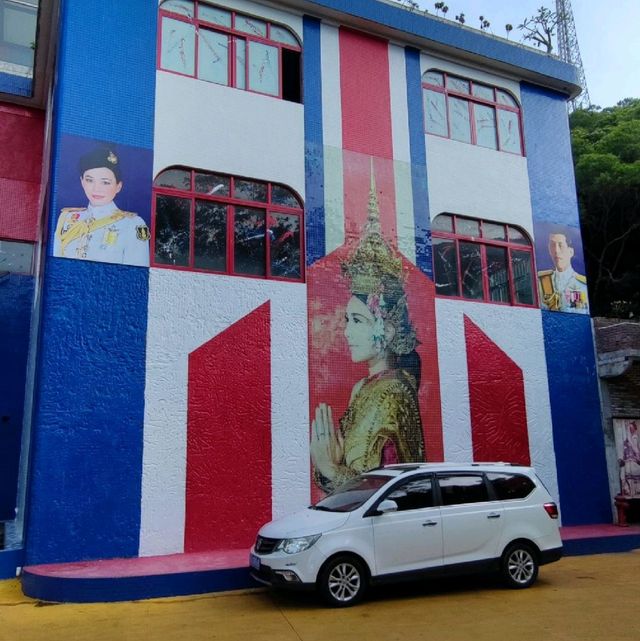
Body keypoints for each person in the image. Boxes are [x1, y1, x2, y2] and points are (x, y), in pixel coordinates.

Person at [310, 176, 425, 494]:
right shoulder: (366, 387)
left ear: (387, 328)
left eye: (358, 320)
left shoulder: (391, 393)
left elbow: (372, 492)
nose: (346, 331)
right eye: (348, 319)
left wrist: (328, 466)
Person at [53, 147, 150, 266]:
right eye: (89, 180)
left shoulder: (133, 224)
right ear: (82, 182)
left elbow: (136, 275)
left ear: (118, 186)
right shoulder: (67, 218)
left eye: (105, 182)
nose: (96, 188)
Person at [537, 231, 588, 313]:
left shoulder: (580, 284)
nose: (556, 251)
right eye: (552, 245)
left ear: (571, 252)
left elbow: (577, 313)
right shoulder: (541, 280)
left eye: (561, 245)